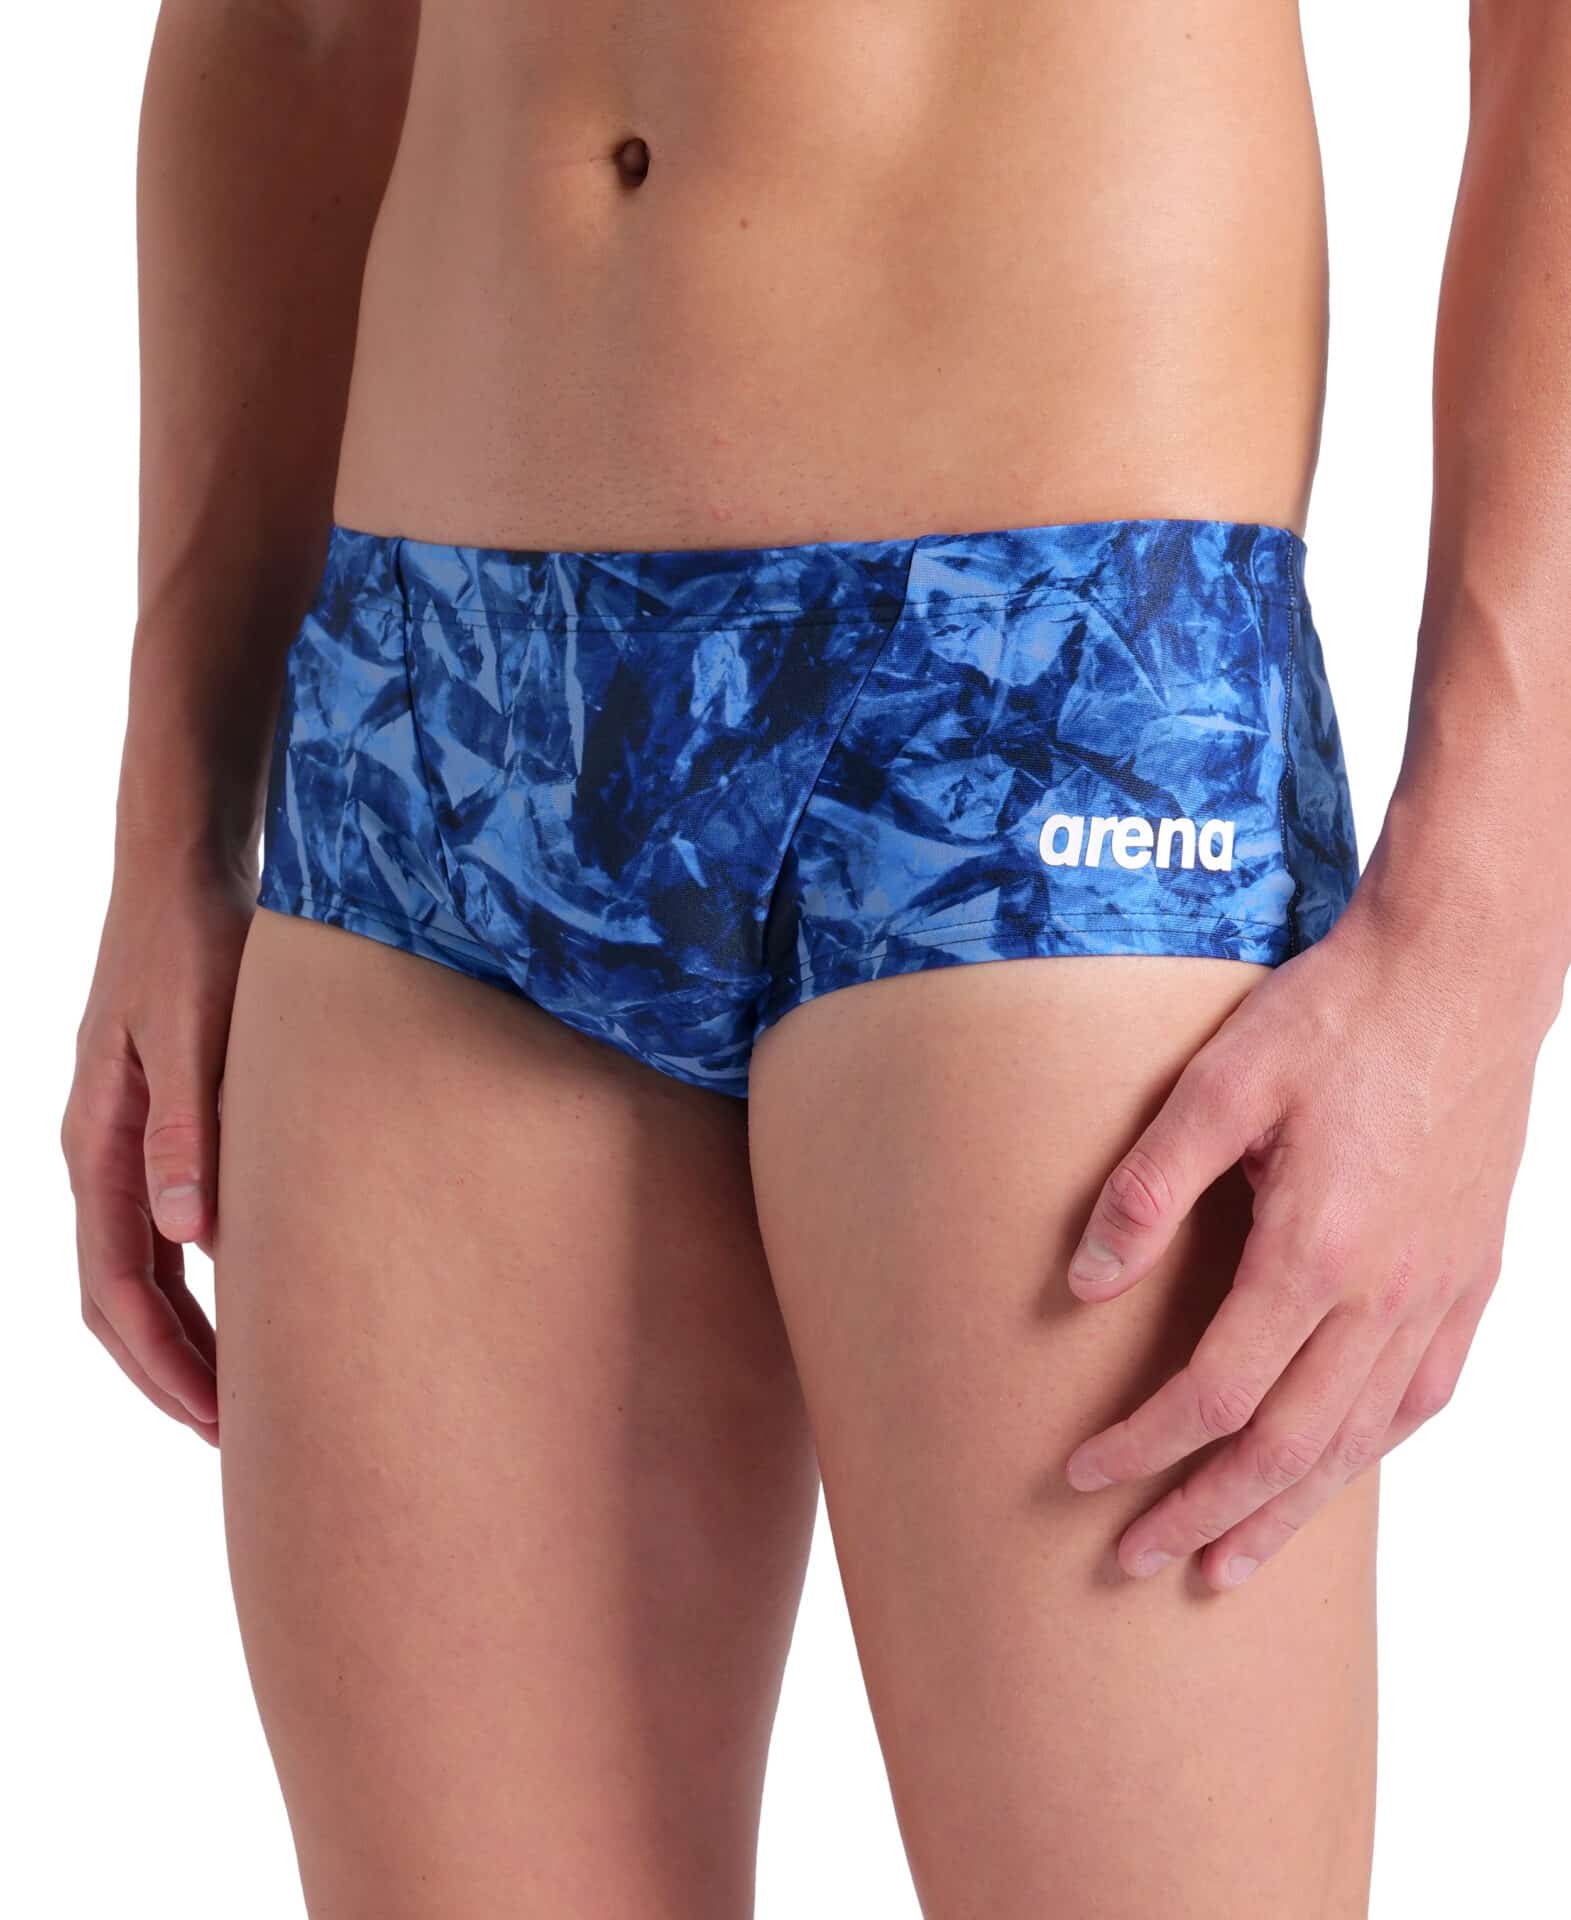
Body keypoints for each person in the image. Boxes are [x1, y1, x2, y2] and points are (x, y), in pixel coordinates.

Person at [59, 2, 1569, 1914]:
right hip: (431, 728)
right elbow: (293, 27)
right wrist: (175, 814)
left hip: (1033, 698)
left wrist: (1477, 941)